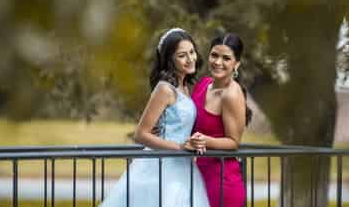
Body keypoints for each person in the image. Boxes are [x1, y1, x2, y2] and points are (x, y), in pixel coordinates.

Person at [100, 28, 210, 207]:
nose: (190, 59)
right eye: (182, 55)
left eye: (192, 52)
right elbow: (141, 134)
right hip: (162, 167)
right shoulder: (165, 89)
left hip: (183, 166)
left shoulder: (185, 88)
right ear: (169, 59)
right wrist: (180, 146)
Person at [188, 33, 252, 207]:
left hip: (222, 184)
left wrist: (203, 141)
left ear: (236, 64)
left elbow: (233, 142)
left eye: (226, 58)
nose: (218, 62)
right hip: (199, 176)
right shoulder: (203, 84)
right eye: (214, 55)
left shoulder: (232, 94)